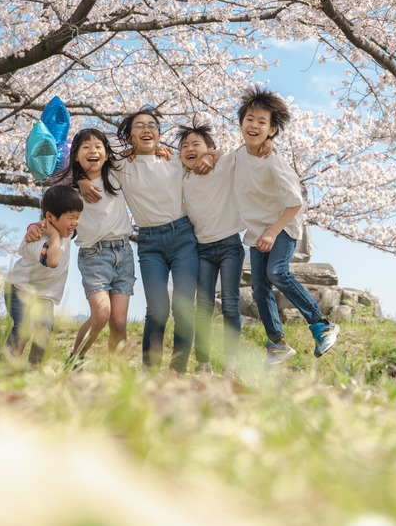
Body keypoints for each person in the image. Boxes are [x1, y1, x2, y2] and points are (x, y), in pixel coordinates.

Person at [80, 107, 209, 372]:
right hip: (150, 244)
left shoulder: (174, 159)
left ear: (160, 134)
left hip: (183, 237)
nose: (147, 129)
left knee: (184, 306)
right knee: (157, 309)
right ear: (129, 136)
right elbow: (87, 162)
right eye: (139, 126)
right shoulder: (120, 165)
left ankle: (177, 370)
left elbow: (208, 156)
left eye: (152, 125)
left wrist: (213, 153)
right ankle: (150, 371)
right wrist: (81, 181)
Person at [231, 86, 339, 365]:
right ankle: (277, 343)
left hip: (284, 226)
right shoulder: (237, 156)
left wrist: (272, 231)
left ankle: (321, 325)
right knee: (259, 285)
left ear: (272, 130)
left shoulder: (274, 162)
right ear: (241, 123)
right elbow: (216, 159)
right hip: (257, 231)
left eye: (262, 122)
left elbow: (295, 204)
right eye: (249, 119)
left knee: (277, 272)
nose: (254, 125)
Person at [52, 128, 137, 364]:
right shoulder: (71, 189)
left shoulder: (117, 176)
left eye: (99, 146)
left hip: (124, 253)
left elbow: (139, 156)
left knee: (119, 322)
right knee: (101, 314)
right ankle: (75, 359)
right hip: (94, 256)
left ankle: (117, 374)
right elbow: (51, 212)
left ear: (107, 154)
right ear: (76, 156)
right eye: (86, 147)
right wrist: (80, 180)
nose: (93, 151)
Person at [178, 121, 245, 374]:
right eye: (185, 146)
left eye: (197, 144)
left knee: (230, 303)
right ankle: (203, 363)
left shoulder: (222, 166)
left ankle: (231, 362)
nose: (190, 149)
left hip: (229, 244)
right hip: (203, 249)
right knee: (203, 307)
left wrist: (213, 154)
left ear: (210, 148)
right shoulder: (182, 177)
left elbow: (240, 152)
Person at [4, 184, 82, 364]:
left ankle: (34, 370)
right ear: (50, 217)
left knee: (45, 331)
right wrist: (53, 236)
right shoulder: (36, 237)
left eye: (77, 217)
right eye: (71, 218)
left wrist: (39, 224)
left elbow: (62, 222)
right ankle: (4, 366)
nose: (75, 222)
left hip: (44, 296)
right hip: (19, 290)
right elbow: (52, 261)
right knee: (24, 328)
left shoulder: (66, 229)